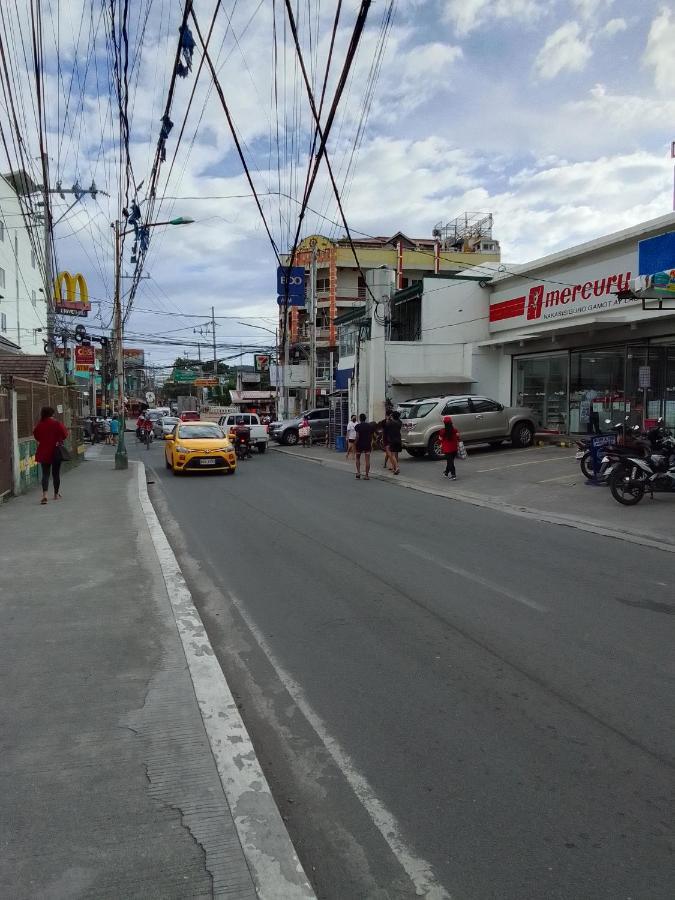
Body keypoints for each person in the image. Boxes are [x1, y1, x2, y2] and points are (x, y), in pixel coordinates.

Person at [33, 406, 68, 505]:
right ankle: (56, 495)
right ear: (52, 414)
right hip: (55, 451)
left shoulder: (40, 425)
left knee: (45, 474)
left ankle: (44, 495)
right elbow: (65, 434)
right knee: (56, 474)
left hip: (44, 452)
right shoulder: (56, 423)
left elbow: (36, 435)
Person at [354, 413, 377, 480]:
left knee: (357, 458)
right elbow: (372, 436)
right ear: (365, 418)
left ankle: (358, 473)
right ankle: (366, 475)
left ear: (360, 419)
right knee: (367, 460)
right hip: (367, 444)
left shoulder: (358, 426)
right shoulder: (370, 426)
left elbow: (357, 436)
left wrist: (355, 443)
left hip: (359, 444)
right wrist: (372, 443)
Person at [440, 415, 460, 480]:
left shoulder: (442, 431)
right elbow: (458, 437)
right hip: (454, 448)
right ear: (451, 422)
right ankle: (446, 472)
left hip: (447, 449)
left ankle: (453, 475)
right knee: (450, 461)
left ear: (444, 423)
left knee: (450, 462)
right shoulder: (455, 430)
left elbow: (440, 439)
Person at [386, 410, 402, 474]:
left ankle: (397, 467)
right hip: (398, 439)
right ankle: (395, 467)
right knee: (396, 454)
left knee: (392, 455)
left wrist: (388, 418)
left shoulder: (391, 423)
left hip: (392, 440)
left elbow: (386, 425)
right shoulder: (400, 422)